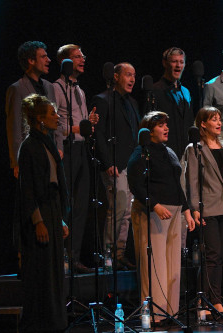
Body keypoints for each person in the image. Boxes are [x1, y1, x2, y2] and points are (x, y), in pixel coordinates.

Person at [127, 111, 195, 328]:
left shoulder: (169, 152)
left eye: (166, 124)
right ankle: (154, 313)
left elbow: (178, 184)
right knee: (155, 262)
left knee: (173, 263)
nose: (165, 128)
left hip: (174, 212)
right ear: (149, 130)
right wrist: (154, 205)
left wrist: (186, 211)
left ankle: (170, 311)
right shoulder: (141, 152)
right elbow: (136, 184)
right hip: (154, 212)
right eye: (160, 125)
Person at [183, 106, 223, 314]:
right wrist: (194, 209)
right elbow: (192, 182)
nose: (219, 123)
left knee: (219, 256)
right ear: (203, 124)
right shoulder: (195, 149)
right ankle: (213, 299)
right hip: (207, 208)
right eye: (213, 119)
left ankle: (206, 298)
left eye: (219, 119)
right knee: (211, 254)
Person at [15, 94, 69, 331]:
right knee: (41, 271)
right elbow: (27, 190)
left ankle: (55, 322)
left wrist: (61, 219)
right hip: (39, 212)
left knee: (55, 270)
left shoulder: (47, 142)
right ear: (40, 119)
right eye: (52, 114)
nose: (57, 117)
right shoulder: (29, 146)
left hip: (53, 209)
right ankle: (40, 324)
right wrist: (38, 221)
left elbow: (55, 180)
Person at [51, 44, 98, 274]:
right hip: (66, 150)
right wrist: (77, 127)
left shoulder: (79, 91)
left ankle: (75, 256)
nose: (83, 59)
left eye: (83, 55)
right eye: (78, 56)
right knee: (66, 205)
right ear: (65, 62)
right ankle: (60, 258)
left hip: (81, 149)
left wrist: (89, 122)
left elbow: (81, 124)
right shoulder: (56, 88)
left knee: (81, 206)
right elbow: (54, 125)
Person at [93, 62, 140, 270]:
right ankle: (109, 255)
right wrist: (107, 162)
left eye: (134, 75)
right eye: (128, 75)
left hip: (131, 164)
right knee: (117, 209)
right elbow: (99, 134)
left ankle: (120, 253)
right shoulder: (103, 100)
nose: (132, 79)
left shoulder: (132, 103)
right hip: (115, 163)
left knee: (128, 212)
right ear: (116, 77)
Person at [7, 41, 54, 179]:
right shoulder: (17, 89)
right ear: (31, 61)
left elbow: (56, 120)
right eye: (43, 57)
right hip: (30, 154)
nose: (48, 60)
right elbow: (14, 127)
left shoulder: (49, 87)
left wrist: (59, 149)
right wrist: (16, 161)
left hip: (50, 152)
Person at [150, 47, 193, 157]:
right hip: (164, 153)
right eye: (174, 61)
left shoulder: (186, 92)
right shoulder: (155, 90)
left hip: (185, 153)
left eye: (181, 62)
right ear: (165, 63)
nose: (178, 65)